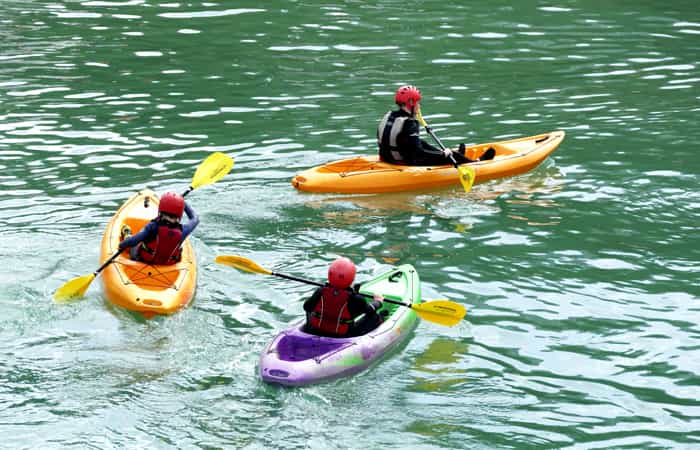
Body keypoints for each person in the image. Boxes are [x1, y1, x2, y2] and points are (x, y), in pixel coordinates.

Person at [377, 85, 494, 166]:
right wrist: (444, 155)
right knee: (451, 154)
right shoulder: (410, 123)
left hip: (387, 159)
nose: (419, 106)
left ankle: (453, 155)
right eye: (417, 102)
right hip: (405, 162)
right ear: (411, 103)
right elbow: (419, 153)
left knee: (421, 142)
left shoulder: (389, 115)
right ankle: (475, 163)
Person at [303, 257, 385, 338]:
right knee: (374, 316)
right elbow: (370, 309)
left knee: (311, 307)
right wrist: (378, 301)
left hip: (316, 329)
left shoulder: (320, 291)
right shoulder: (356, 298)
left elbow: (306, 307)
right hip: (342, 335)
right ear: (351, 278)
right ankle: (381, 319)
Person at [118, 191, 199, 265]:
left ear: (161, 210)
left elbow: (133, 241)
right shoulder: (183, 231)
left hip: (143, 260)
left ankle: (127, 233)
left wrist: (121, 245)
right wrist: (183, 203)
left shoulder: (152, 227)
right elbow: (195, 219)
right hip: (168, 264)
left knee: (132, 241)